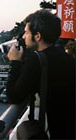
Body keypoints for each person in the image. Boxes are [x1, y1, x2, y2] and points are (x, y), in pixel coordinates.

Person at [6, 9, 75, 139]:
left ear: (37, 36)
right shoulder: (66, 58)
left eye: (26, 33)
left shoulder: (37, 60)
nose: (23, 37)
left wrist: (14, 62)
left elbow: (14, 96)